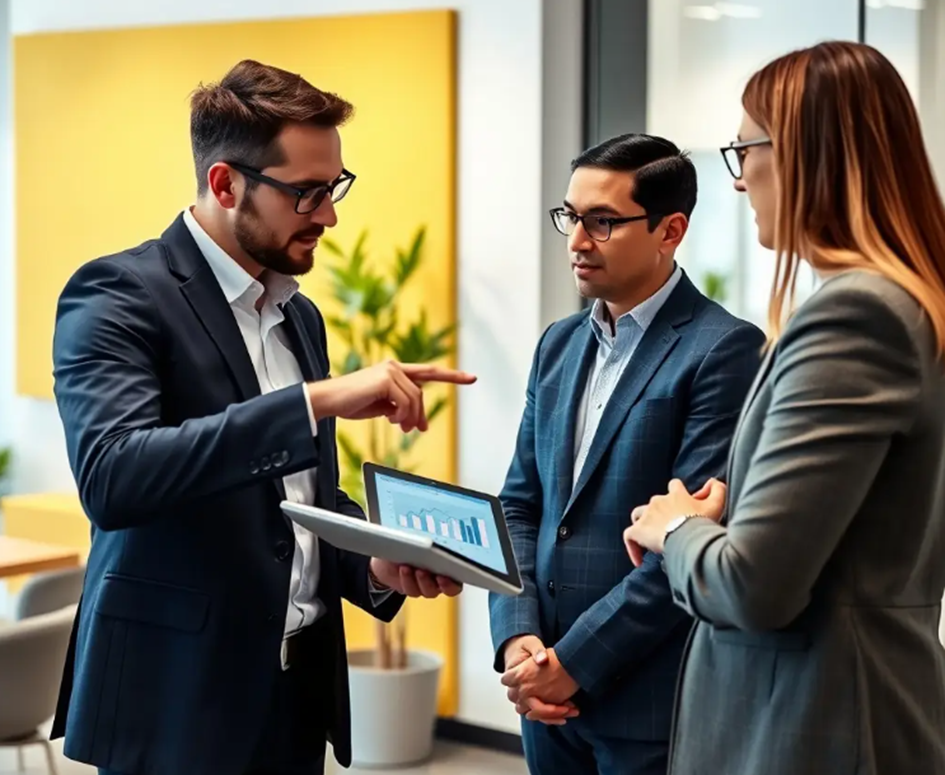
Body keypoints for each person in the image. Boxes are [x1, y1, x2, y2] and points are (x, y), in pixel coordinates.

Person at [50, 59, 474, 775]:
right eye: (307, 192)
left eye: (335, 187)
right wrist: (313, 401)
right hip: (176, 697)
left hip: (294, 692)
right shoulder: (118, 293)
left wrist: (373, 558)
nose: (330, 215)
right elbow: (114, 475)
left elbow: (299, 505)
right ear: (225, 184)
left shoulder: (297, 315)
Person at [626, 41, 945, 775]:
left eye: (743, 150)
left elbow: (751, 586)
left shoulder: (855, 314)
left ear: (804, 154)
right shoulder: (902, 303)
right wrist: (741, 507)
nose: (738, 182)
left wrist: (673, 527)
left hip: (812, 722)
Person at [488, 134, 765, 775]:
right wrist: (518, 638)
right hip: (543, 690)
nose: (578, 242)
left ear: (671, 230)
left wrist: (573, 664)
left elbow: (690, 537)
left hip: (646, 700)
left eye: (603, 222)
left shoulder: (723, 350)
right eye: (570, 217)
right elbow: (520, 506)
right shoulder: (558, 346)